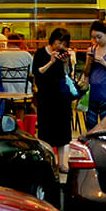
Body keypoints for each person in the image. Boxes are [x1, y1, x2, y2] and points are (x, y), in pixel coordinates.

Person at [32, 27, 77, 184]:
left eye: (64, 43)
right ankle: (50, 161)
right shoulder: (40, 53)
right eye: (59, 42)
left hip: (62, 95)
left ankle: (62, 162)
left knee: (64, 129)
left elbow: (67, 75)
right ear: (52, 40)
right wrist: (51, 62)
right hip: (46, 96)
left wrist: (65, 64)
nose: (61, 46)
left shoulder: (64, 55)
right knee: (46, 128)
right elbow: (37, 73)